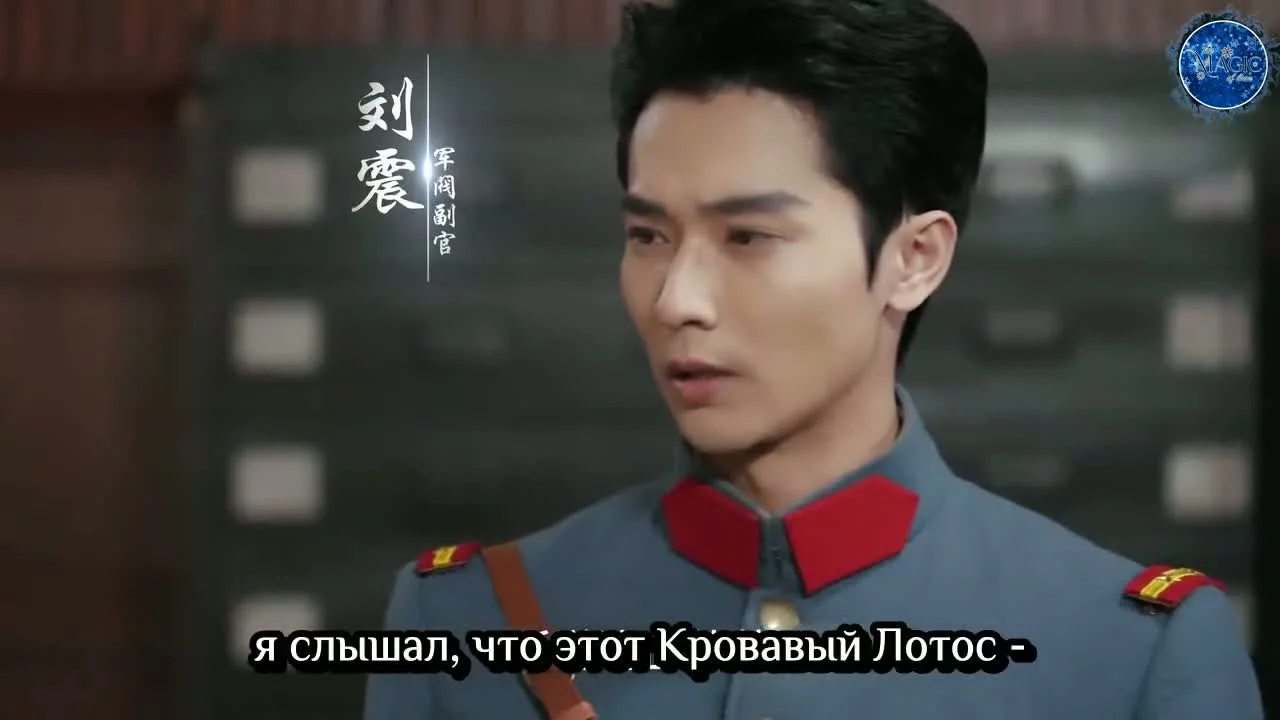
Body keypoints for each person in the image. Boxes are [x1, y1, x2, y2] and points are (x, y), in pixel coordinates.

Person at [365, 0, 1263, 717]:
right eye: (648, 236)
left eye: (748, 237)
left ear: (914, 259)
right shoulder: (467, 622)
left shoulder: (1129, 653)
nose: (677, 300)